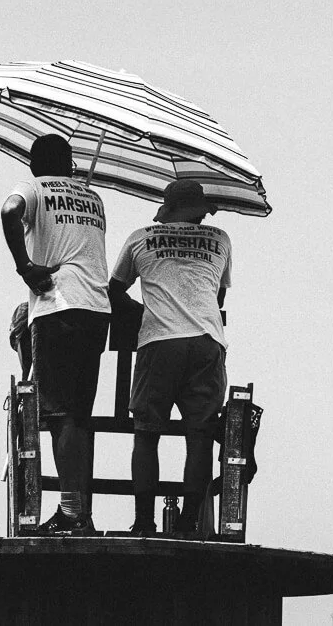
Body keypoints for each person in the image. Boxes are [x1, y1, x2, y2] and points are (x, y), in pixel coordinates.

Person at [0, 134, 111, 535]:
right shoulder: (94, 199)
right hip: (97, 312)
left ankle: (70, 512)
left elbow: (9, 210)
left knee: (61, 416)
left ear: (33, 165)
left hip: (58, 307)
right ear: (70, 164)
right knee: (77, 416)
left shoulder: (30, 188)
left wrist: (24, 266)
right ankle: (80, 510)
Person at [110, 179, 231, 535]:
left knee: (146, 435)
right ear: (199, 210)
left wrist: (141, 312)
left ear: (167, 209)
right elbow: (218, 297)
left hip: (159, 342)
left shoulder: (140, 237)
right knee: (200, 437)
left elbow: (114, 291)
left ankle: (144, 522)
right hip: (208, 341)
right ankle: (187, 522)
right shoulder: (220, 239)